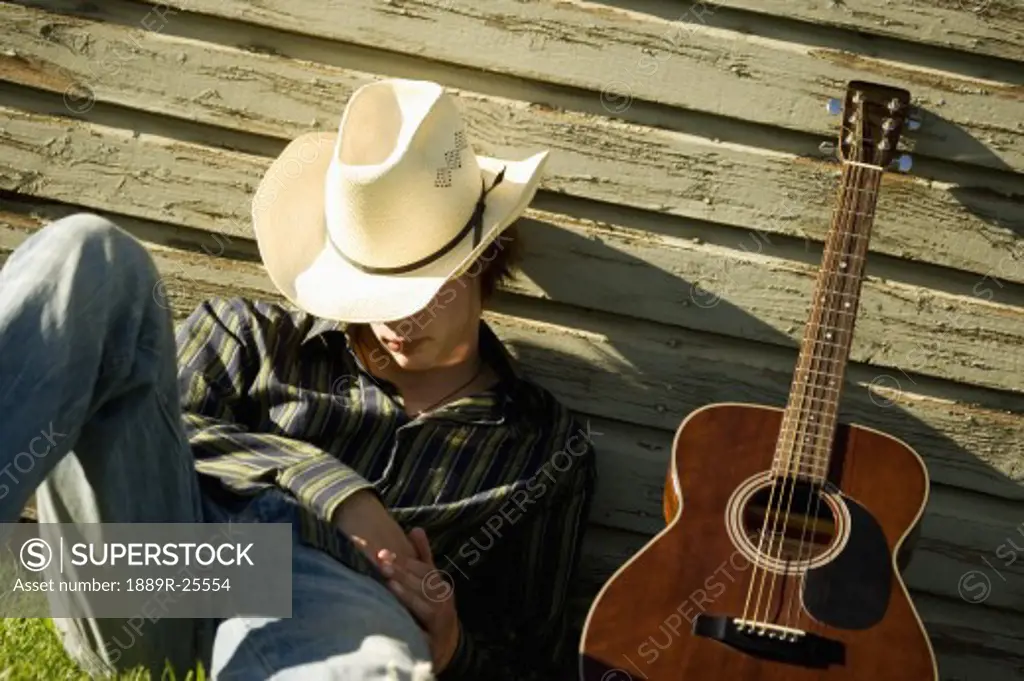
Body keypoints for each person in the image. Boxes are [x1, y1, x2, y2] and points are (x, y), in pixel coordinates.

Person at [0, 78, 598, 679]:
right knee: (90, 253)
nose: (393, 319)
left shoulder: (541, 448)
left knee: (366, 664)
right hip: (161, 571)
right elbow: (144, 433)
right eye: (373, 285)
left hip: (335, 613)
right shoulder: (250, 337)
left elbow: (529, 657)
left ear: (484, 258)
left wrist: (452, 645)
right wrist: (338, 496)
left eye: (419, 288)